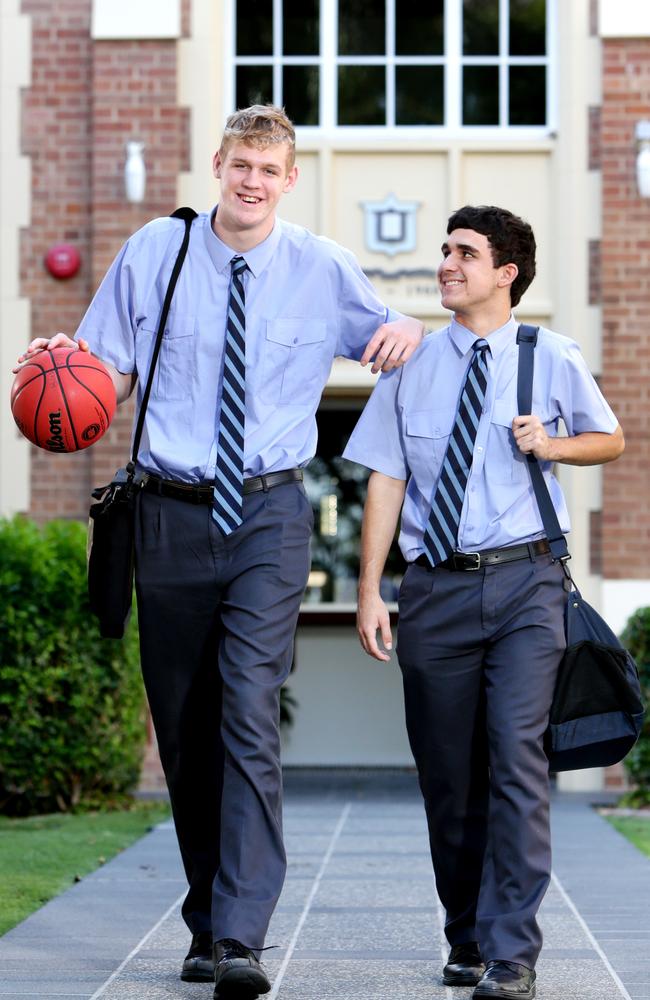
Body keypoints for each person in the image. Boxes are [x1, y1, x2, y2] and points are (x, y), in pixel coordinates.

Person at [16, 105, 424, 999]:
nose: (251, 181)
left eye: (268, 170)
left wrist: (412, 333)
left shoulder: (323, 267)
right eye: (239, 164)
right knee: (186, 724)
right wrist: (62, 365)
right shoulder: (153, 253)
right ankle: (208, 917)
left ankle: (241, 935)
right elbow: (104, 370)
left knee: (248, 709)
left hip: (271, 516)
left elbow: (391, 339)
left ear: (289, 180)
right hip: (167, 511)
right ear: (218, 164)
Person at [343, 205, 624, 1000]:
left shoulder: (550, 356)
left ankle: (512, 954)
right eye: (444, 251)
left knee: (517, 765)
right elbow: (386, 479)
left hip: (528, 583)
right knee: (448, 775)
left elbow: (610, 438)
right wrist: (371, 589)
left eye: (465, 253)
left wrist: (553, 443)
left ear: (507, 272)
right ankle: (465, 935)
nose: (446, 264)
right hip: (434, 590)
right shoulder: (414, 366)